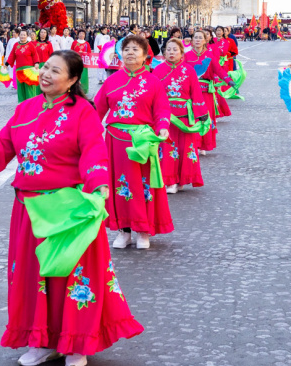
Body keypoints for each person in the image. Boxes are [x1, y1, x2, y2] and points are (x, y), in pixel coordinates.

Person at [0, 50, 143, 366]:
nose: (46, 75)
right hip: (29, 209)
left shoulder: (83, 112)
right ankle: (41, 341)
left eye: (56, 71)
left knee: (72, 275)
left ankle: (77, 343)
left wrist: (99, 187)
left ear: (73, 80)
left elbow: (93, 151)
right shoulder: (25, 109)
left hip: (67, 210)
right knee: (33, 276)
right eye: (45, 68)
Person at [95, 35, 173, 250]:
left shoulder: (153, 81)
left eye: (135, 50)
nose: (130, 53)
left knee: (142, 187)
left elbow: (162, 110)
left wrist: (163, 127)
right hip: (115, 142)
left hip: (141, 144)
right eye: (126, 49)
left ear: (145, 55)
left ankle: (143, 231)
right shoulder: (111, 80)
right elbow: (98, 109)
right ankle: (123, 230)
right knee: (120, 186)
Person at [153, 38, 209, 195]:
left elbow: (196, 95)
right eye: (168, 50)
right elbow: (153, 95)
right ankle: (169, 181)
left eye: (175, 50)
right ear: (164, 53)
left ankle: (181, 180)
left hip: (184, 118)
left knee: (184, 149)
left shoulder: (189, 71)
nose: (171, 52)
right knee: (168, 148)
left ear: (181, 53)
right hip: (165, 118)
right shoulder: (157, 71)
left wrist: (202, 116)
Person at [184, 30, 233, 154]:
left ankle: (204, 144)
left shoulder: (209, 56)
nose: (198, 40)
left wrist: (228, 80)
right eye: (195, 37)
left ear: (205, 41)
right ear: (192, 40)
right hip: (191, 92)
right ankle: (194, 143)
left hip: (206, 92)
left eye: (201, 38)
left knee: (205, 117)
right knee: (193, 117)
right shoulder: (186, 56)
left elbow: (218, 70)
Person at [6, 30, 41, 103]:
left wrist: (36, 63)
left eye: (24, 35)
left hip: (29, 69)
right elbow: (12, 55)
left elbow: (35, 54)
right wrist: (6, 64)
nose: (22, 36)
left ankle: (31, 104)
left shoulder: (30, 44)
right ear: (19, 36)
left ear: (27, 36)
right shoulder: (16, 45)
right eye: (21, 35)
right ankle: (21, 105)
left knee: (29, 87)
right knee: (21, 88)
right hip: (19, 69)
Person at [71, 30, 93, 94]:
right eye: (80, 33)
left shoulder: (86, 43)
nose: (81, 35)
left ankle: (84, 89)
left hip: (84, 63)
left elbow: (89, 53)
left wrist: (84, 53)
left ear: (85, 35)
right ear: (78, 35)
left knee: (84, 76)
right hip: (75, 62)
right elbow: (71, 51)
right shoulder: (74, 43)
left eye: (83, 34)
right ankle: (75, 89)